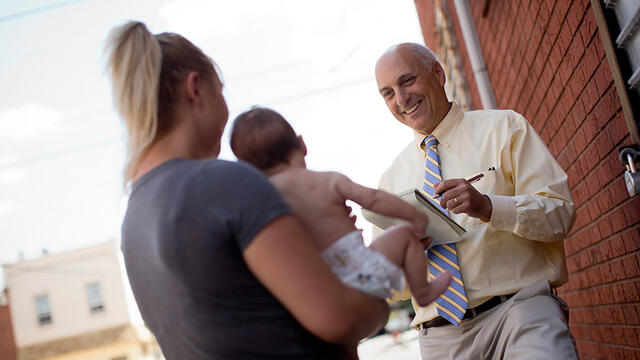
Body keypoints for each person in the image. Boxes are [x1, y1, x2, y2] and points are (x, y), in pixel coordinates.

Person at [103, 21, 389, 360]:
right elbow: (339, 318)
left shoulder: (132, 218)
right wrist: (379, 280)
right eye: (220, 89)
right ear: (195, 89)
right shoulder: (226, 183)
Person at [373, 42, 578, 359]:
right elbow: (393, 288)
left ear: (438, 74)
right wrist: (403, 256)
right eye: (388, 93)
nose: (401, 99)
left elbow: (560, 215)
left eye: (407, 81)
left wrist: (489, 207)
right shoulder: (390, 181)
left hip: (518, 312)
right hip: (440, 339)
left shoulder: (505, 128)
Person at [230, 107, 452, 308]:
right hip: (361, 270)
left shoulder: (266, 199)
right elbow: (373, 199)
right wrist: (413, 215)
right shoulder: (326, 180)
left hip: (320, 284)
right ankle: (422, 290)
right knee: (404, 235)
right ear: (301, 144)